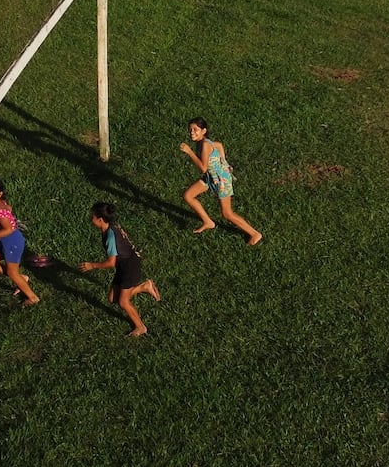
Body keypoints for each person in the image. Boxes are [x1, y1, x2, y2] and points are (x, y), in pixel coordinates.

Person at [80, 202, 160, 337]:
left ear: (100, 220)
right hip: (124, 266)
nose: (91, 219)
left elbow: (111, 263)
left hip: (130, 267)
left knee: (123, 302)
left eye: (93, 217)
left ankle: (140, 327)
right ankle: (145, 286)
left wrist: (92, 265)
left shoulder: (110, 237)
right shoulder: (112, 227)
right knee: (113, 299)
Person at [179, 117, 262, 245]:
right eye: (190, 129)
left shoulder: (205, 145)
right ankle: (208, 222)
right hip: (209, 178)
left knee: (227, 213)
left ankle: (255, 234)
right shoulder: (202, 142)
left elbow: (203, 168)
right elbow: (219, 145)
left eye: (195, 129)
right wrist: (223, 160)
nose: (191, 132)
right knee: (188, 196)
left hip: (220, 180)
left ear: (204, 131)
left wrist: (190, 152)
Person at [0, 178, 39, 306]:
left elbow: (8, 229)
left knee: (11, 272)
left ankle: (33, 298)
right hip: (3, 241)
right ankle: (21, 278)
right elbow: (9, 208)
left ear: (0, 194)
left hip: (12, 242)